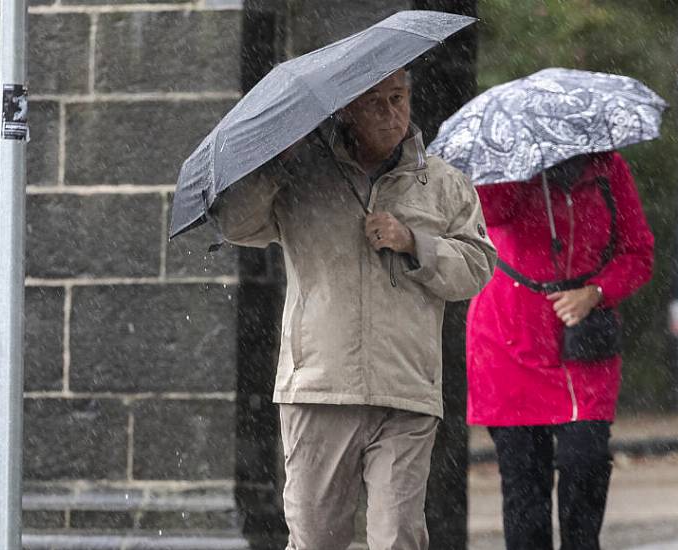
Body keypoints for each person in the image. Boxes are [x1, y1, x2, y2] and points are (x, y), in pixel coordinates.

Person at [212, 68, 497, 550]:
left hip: (405, 390)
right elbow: (236, 224)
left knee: (398, 538)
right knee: (316, 540)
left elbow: (477, 266)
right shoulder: (301, 174)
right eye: (376, 103)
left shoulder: (443, 183)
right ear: (346, 110)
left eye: (400, 98)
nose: (393, 114)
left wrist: (414, 242)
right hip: (320, 388)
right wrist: (275, 164)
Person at [466, 151, 654, 550]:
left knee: (584, 463)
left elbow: (638, 252)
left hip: (583, 344)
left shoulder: (609, 168)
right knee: (524, 488)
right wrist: (520, 172)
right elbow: (489, 214)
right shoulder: (506, 167)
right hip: (509, 343)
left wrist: (596, 292)